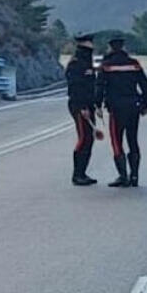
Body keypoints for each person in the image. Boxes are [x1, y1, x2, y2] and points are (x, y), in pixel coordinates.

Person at [96, 37, 147, 187]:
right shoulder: (134, 64)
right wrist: (145, 104)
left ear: (110, 48)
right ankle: (135, 176)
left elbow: (100, 86)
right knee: (133, 140)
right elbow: (145, 85)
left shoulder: (106, 65)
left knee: (117, 141)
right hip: (133, 106)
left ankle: (123, 176)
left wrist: (98, 106)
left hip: (116, 108)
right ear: (123, 47)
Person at [65, 35, 99, 186]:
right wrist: (83, 107)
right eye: (89, 42)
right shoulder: (76, 63)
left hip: (88, 105)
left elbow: (91, 86)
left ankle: (83, 172)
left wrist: (95, 105)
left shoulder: (87, 62)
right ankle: (77, 174)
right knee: (84, 138)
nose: (91, 45)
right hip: (79, 105)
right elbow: (75, 88)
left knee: (89, 139)